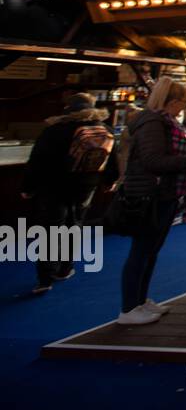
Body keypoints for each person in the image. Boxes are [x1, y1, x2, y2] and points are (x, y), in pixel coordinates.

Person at [117, 77, 186, 325]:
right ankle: (128, 306)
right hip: (150, 194)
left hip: (163, 193)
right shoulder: (154, 124)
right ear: (173, 101)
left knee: (150, 250)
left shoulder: (162, 122)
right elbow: (154, 160)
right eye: (183, 102)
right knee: (142, 250)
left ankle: (140, 300)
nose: (185, 108)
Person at [22, 93, 117, 295]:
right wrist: (109, 181)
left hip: (54, 187)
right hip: (86, 188)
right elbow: (111, 160)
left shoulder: (55, 130)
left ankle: (45, 277)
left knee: (50, 231)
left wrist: (28, 187)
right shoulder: (105, 129)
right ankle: (65, 268)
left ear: (68, 109)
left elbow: (37, 161)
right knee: (74, 225)